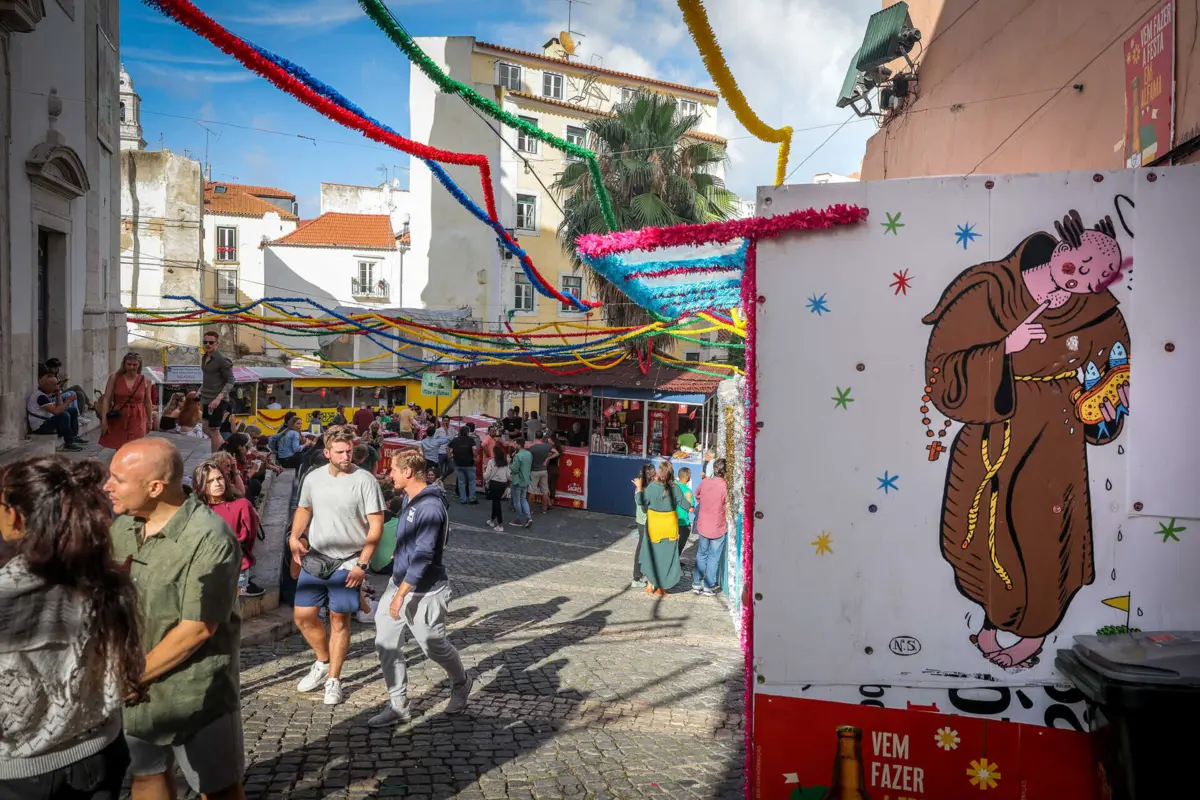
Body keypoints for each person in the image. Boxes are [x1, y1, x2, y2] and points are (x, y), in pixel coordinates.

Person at [106, 439, 244, 800]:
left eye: (117, 479)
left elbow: (197, 628)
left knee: (219, 789)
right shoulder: (122, 527)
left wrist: (129, 676)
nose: (107, 487)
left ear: (154, 488)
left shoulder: (209, 537)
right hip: (137, 692)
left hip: (194, 693)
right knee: (147, 777)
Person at [0, 456, 144, 799]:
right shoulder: (107, 583)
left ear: (16, 517)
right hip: (100, 752)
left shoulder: (7, 596)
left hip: (21, 772)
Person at [370, 449, 472, 727]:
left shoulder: (429, 507)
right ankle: (398, 703)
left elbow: (424, 556)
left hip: (425, 591)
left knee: (433, 646)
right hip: (398, 584)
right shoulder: (409, 498)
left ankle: (461, 682)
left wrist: (400, 596)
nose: (389, 473)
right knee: (386, 643)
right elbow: (411, 540)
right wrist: (397, 554)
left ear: (407, 473)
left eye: (392, 469)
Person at [289, 429, 385, 706]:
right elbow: (304, 508)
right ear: (327, 452)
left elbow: (376, 526)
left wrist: (363, 565)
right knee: (303, 616)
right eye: (340, 452)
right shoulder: (313, 478)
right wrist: (295, 536)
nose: (346, 456)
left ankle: (334, 679)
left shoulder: (365, 480)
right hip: (317, 557)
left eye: (349, 451)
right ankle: (322, 661)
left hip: (349, 561)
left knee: (339, 620)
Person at [193, 460, 265, 599]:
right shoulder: (196, 509)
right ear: (200, 484)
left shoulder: (242, 505)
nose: (217, 484)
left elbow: (249, 538)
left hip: (235, 567)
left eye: (219, 478)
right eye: (210, 481)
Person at [634, 462, 686, 596]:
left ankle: (650, 585)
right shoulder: (676, 488)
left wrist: (639, 487)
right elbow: (686, 505)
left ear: (659, 473)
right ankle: (662, 586)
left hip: (653, 528)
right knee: (666, 557)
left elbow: (640, 501)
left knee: (651, 555)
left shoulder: (651, 487)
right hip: (670, 529)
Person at [98, 352, 152, 451]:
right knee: (120, 447)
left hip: (138, 417)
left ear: (139, 365)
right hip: (119, 416)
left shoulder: (145, 380)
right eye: (129, 364)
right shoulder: (115, 378)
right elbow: (106, 399)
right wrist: (104, 420)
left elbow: (147, 401)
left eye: (135, 364)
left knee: (135, 446)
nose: (131, 367)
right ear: (124, 364)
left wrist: (150, 420)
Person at [692, 459, 728, 596]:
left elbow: (697, 495)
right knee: (713, 557)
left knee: (701, 554)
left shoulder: (705, 482)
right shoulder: (725, 486)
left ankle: (696, 583)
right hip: (718, 525)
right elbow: (727, 504)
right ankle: (708, 586)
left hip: (704, 524)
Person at [26, 371, 84, 451]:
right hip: (40, 427)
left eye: (57, 384)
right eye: (55, 385)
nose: (57, 386)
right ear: (47, 386)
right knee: (64, 415)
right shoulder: (40, 396)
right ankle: (69, 443)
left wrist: (58, 394)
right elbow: (56, 411)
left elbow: (59, 407)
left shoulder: (45, 393)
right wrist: (68, 401)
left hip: (46, 421)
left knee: (72, 410)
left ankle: (73, 437)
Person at [199, 331, 235, 454]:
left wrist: (218, 399)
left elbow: (231, 380)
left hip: (217, 399)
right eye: (205, 342)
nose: (207, 344)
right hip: (206, 397)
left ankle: (214, 459)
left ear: (217, 343)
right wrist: (200, 390)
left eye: (211, 342)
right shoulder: (205, 356)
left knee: (214, 430)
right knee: (205, 428)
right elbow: (208, 377)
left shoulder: (222, 360)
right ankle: (224, 450)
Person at [630, 463, 656, 589]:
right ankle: (637, 576)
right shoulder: (644, 489)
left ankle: (641, 574)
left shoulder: (642, 487)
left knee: (643, 548)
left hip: (641, 521)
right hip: (645, 522)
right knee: (642, 548)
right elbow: (645, 507)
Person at [483, 444, 510, 532]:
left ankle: (500, 524)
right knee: (495, 502)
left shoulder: (491, 462)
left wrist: (484, 471)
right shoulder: (505, 462)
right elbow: (508, 475)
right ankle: (491, 520)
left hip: (494, 484)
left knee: (496, 504)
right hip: (502, 485)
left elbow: (486, 476)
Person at [449, 427, 478, 505]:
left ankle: (463, 499)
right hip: (469, 464)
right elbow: (474, 449)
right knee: (471, 481)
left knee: (461, 482)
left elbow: (448, 448)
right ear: (467, 432)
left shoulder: (455, 440)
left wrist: (450, 456)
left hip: (458, 463)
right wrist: (475, 457)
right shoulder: (470, 439)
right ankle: (472, 498)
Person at [526, 432, 554, 514]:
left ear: (535, 437)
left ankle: (531, 510)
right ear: (542, 437)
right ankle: (544, 509)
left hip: (534, 471)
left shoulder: (532, 448)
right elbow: (556, 452)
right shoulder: (547, 446)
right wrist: (547, 459)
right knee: (545, 491)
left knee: (531, 491)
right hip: (544, 470)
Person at [509, 437, 533, 528]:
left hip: (517, 481)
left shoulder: (518, 456)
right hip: (526, 480)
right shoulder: (529, 454)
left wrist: (510, 463)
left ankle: (518, 519)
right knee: (523, 499)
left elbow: (514, 469)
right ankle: (529, 517)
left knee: (517, 501)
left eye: (515, 444)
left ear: (519, 445)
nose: (513, 446)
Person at [675, 466, 696, 559]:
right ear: (687, 477)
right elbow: (691, 509)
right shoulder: (688, 491)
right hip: (683, 521)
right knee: (680, 544)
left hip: (671, 519)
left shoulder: (673, 486)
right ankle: (675, 561)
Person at [545, 434, 564, 508]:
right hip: (556, 469)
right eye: (548, 441)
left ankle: (549, 503)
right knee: (552, 486)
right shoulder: (559, 448)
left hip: (550, 469)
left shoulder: (552, 450)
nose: (549, 442)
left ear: (554, 442)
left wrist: (547, 458)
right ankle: (551, 503)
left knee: (546, 486)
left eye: (550, 441)